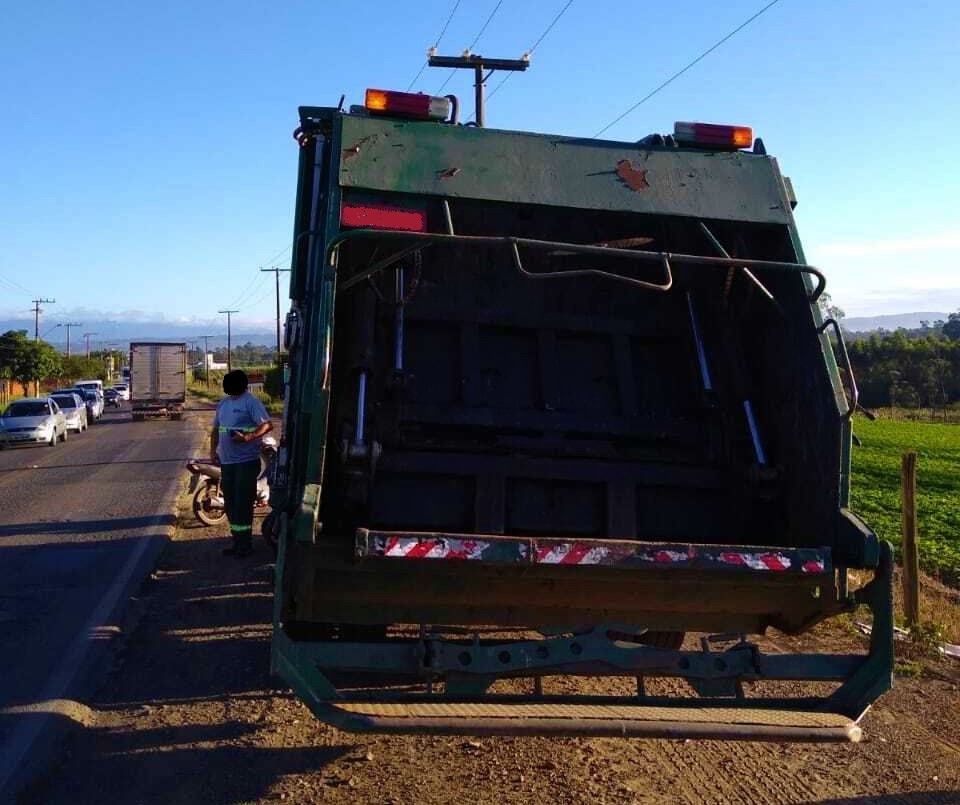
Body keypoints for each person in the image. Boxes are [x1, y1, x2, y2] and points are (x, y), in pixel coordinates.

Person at [210, 370, 273, 556]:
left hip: (246, 462)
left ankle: (245, 545)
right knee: (230, 505)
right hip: (227, 462)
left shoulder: (250, 402)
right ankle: (237, 541)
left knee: (242, 505)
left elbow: (268, 425)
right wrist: (212, 451)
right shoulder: (223, 403)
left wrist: (249, 436)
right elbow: (216, 429)